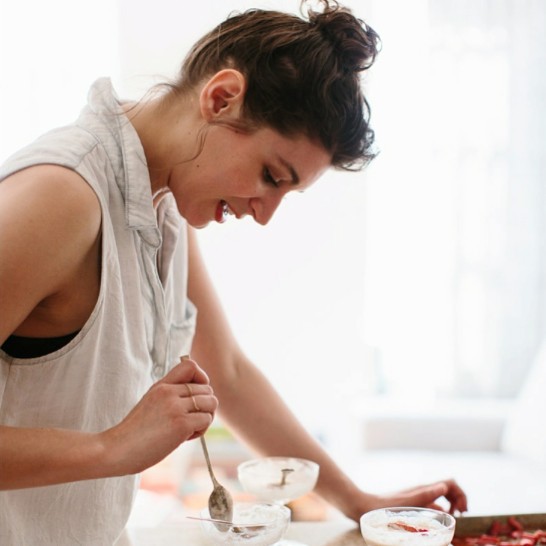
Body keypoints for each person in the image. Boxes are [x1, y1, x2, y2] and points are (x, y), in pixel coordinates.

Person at [0, 1, 467, 544]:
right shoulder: (62, 197)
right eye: (271, 175)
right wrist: (115, 447)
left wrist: (358, 502)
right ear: (221, 98)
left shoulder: (161, 206)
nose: (265, 215)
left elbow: (229, 371)